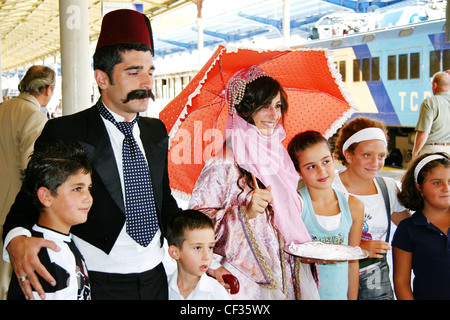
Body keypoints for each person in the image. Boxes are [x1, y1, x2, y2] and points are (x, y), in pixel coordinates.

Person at [2, 9, 180, 300]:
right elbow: (31, 197)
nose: (146, 82)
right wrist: (15, 240)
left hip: (155, 277)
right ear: (102, 78)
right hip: (97, 280)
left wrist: (194, 244)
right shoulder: (66, 131)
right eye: (133, 72)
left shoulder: (155, 131)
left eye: (150, 71)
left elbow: (163, 198)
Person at [188, 66, 320, 300]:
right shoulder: (225, 162)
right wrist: (243, 212)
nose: (273, 114)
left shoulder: (279, 155)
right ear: (244, 110)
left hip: (289, 271)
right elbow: (195, 224)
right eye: (264, 106)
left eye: (278, 105)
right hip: (248, 281)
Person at [333, 117, 410, 300]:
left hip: (375, 286)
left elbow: (412, 228)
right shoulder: (330, 188)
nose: (375, 163)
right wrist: (358, 249)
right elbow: (313, 243)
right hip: (336, 282)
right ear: (348, 155)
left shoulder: (387, 188)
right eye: (367, 155)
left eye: (381, 156)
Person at [8, 140, 92, 300]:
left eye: (89, 188)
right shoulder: (45, 259)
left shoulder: (61, 242)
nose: (88, 198)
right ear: (46, 196)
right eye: (77, 189)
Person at [287, 130, 364, 300]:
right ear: (298, 171)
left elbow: (353, 263)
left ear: (334, 159)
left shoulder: (354, 206)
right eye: (311, 166)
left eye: (326, 162)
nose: (322, 171)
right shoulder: (296, 205)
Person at [0, 65, 55, 299]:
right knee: (7, 275)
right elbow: (30, 167)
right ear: (48, 89)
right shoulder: (34, 115)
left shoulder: (4, 107)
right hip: (12, 207)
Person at [393, 152, 450, 300]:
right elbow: (401, 282)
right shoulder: (408, 229)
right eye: (437, 182)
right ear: (419, 187)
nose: (446, 188)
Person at [166, 209, 231, 300]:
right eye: (197, 248)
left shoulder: (218, 294)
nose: (207, 257)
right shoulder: (161, 289)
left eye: (210, 247)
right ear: (175, 252)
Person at [412, 70, 450, 158]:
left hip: (432, 151)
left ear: (434, 85)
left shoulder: (430, 102)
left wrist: (415, 152)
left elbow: (423, 132)